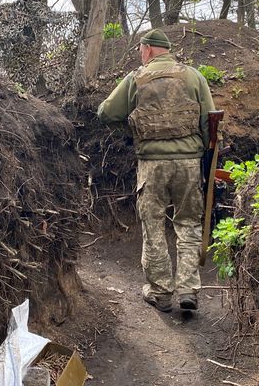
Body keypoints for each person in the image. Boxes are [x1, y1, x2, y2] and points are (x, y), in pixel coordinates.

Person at [97, 29, 215, 313]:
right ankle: (188, 289)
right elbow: (210, 122)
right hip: (188, 163)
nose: (140, 53)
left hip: (152, 164)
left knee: (153, 226)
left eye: (140, 49)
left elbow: (106, 113)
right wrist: (205, 156)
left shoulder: (136, 78)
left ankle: (161, 293)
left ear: (148, 49)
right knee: (188, 224)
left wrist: (132, 132)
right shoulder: (194, 76)